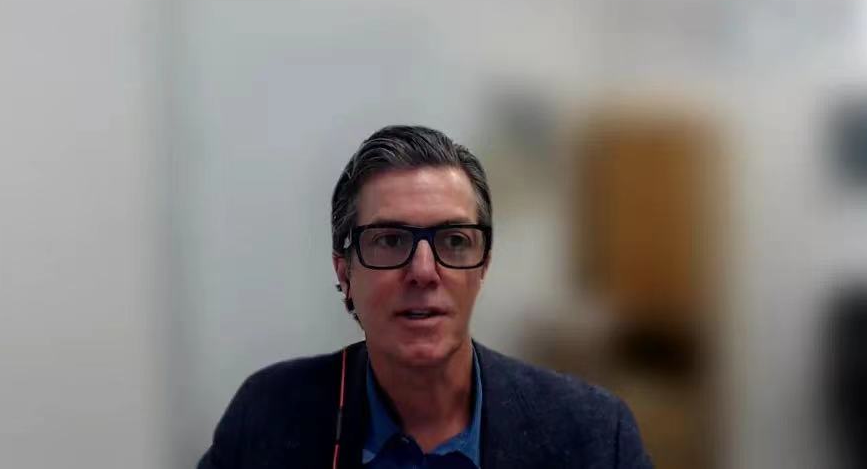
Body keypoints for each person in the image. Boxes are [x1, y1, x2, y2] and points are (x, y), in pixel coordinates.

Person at [196, 125, 653, 468]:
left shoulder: (592, 435)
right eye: (390, 240)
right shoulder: (268, 418)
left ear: (483, 265)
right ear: (345, 272)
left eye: (453, 241)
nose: (423, 271)